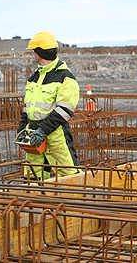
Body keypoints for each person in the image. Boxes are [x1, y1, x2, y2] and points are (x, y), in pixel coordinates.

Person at [17, 31, 80, 180]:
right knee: (33, 176)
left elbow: (65, 110)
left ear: (39, 52)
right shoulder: (35, 77)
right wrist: (22, 126)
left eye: (34, 50)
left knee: (68, 175)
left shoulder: (65, 77)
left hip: (55, 134)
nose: (33, 54)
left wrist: (43, 130)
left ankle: (73, 201)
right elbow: (29, 107)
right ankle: (38, 201)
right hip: (33, 134)